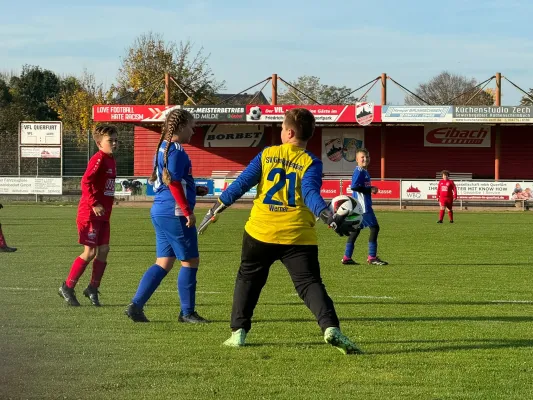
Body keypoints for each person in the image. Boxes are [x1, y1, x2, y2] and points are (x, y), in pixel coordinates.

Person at [199, 108, 362, 355]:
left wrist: (216, 207)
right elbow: (309, 193)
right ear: (309, 134)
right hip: (297, 234)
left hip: (260, 231)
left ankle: (238, 333)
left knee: (248, 280)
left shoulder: (267, 154)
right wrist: (327, 216)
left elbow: (243, 183)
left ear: (289, 132)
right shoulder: (311, 162)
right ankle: (330, 328)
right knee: (309, 284)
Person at [125, 109, 209, 323]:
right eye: (191, 126)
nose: (193, 130)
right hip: (175, 213)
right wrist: (187, 210)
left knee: (163, 262)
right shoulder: (177, 151)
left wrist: (194, 189)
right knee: (190, 261)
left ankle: (136, 306)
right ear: (181, 127)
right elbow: (172, 183)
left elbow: (169, 181)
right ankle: (187, 313)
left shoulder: (162, 148)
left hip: (161, 210)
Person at [58, 125, 118, 306]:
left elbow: (102, 185)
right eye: (111, 140)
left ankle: (92, 287)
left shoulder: (111, 159)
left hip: (104, 214)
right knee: (90, 252)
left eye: (116, 140)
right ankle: (67, 287)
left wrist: (108, 198)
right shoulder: (98, 158)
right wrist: (94, 203)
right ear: (99, 143)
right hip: (90, 214)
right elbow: (85, 182)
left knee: (105, 250)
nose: (115, 143)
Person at [341, 148, 388, 266]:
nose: (365, 159)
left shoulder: (364, 172)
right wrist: (370, 189)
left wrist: (371, 188)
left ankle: (347, 257)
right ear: (357, 159)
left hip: (358, 207)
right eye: (362, 157)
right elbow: (354, 187)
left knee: (355, 231)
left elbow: (361, 187)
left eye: (367, 157)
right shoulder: (359, 171)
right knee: (374, 228)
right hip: (363, 207)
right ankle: (372, 257)